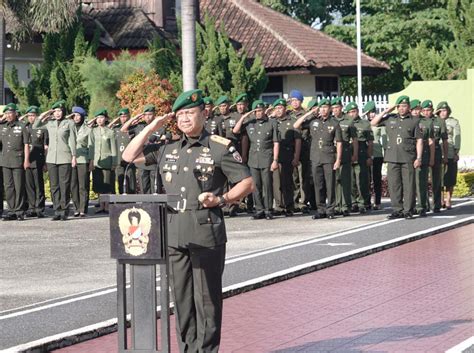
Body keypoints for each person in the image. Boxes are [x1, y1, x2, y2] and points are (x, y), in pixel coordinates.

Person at [122, 89, 254, 353]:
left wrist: (222, 199)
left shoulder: (219, 147)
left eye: (190, 113)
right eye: (180, 114)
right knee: (181, 300)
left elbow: (247, 182)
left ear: (204, 114)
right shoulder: (167, 148)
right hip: (173, 233)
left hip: (206, 233)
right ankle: (187, 350)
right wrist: (151, 127)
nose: (184, 119)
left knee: (206, 301)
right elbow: (129, 156)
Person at [370, 96, 423, 219]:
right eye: (399, 106)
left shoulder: (414, 121)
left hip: (408, 157)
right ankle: (397, 209)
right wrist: (386, 111)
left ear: (408, 107)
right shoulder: (390, 118)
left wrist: (418, 158)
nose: (401, 109)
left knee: (409, 185)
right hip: (392, 156)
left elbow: (419, 141)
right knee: (394, 185)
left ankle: (408, 210)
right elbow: (373, 123)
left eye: (404, 106)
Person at [294, 98, 343, 219]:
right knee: (318, 184)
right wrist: (310, 113)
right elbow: (296, 125)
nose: (323, 110)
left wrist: (338, 160)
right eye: (321, 108)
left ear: (330, 109)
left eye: (325, 107)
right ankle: (321, 209)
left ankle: (330, 210)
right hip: (315, 157)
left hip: (329, 157)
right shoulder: (313, 121)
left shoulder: (334, 123)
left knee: (330, 184)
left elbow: (339, 142)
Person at [233, 99, 279, 220]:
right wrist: (245, 116)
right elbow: (235, 130)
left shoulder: (271, 123)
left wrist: (275, 160)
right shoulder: (250, 123)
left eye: (261, 110)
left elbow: (276, 143)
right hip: (253, 159)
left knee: (267, 185)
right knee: (255, 186)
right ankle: (259, 209)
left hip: (267, 157)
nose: (259, 113)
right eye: (257, 111)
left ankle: (268, 209)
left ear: (264, 111)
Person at [34, 100, 77, 221]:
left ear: (63, 111)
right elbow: (35, 125)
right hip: (51, 158)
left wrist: (74, 156)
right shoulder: (50, 123)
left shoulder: (69, 123)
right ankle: (57, 210)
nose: (57, 113)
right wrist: (47, 113)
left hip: (65, 157)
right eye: (55, 111)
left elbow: (73, 140)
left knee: (64, 185)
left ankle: (64, 210)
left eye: (59, 111)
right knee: (54, 186)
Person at [121, 104, 163, 194]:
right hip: (141, 162)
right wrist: (134, 118)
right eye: (145, 115)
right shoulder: (139, 126)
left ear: (154, 114)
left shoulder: (160, 127)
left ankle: (156, 207)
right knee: (144, 189)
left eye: (150, 114)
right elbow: (123, 129)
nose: (147, 117)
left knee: (156, 189)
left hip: (154, 162)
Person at [269, 98, 301, 216]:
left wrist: (296, 157)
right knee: (276, 182)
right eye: (276, 108)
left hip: (287, 154)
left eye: (281, 108)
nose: (278, 110)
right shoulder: (271, 122)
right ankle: (279, 206)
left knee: (287, 181)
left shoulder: (292, 121)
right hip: (274, 155)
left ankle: (289, 205)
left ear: (285, 109)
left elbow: (298, 140)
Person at [0, 103, 30, 221]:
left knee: (19, 186)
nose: (8, 115)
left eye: (10, 113)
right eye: (6, 113)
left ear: (15, 114)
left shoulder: (22, 126)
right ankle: (11, 210)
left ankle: (19, 211)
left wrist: (26, 160)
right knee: (8, 187)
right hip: (5, 161)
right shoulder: (2, 127)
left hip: (18, 160)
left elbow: (26, 145)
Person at [288, 89, 314, 213]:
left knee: (303, 176)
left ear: (301, 101)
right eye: (292, 100)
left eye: (296, 100)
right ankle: (294, 200)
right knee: (293, 177)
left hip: (304, 149)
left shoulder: (307, 115)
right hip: (290, 149)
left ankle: (303, 202)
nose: (294, 103)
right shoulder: (288, 114)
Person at [332, 97, 358, 216]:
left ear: (341, 108)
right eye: (333, 108)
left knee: (346, 180)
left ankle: (346, 205)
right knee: (336, 180)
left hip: (346, 152)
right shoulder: (330, 121)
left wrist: (355, 154)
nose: (335, 110)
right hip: (332, 153)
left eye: (337, 107)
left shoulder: (349, 121)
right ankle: (337, 205)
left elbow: (355, 140)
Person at [88, 109, 117, 214]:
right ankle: (101, 205)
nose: (100, 120)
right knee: (99, 184)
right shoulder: (93, 131)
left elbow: (114, 148)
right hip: (96, 161)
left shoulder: (110, 132)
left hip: (107, 161)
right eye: (98, 118)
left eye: (102, 118)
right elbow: (91, 147)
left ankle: (107, 206)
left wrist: (114, 162)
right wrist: (91, 161)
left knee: (107, 184)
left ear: (106, 119)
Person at [347, 102, 373, 214]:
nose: (353, 114)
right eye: (350, 112)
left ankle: (362, 202)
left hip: (362, 153)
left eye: (354, 111)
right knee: (351, 180)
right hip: (348, 152)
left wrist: (369, 156)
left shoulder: (365, 124)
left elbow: (370, 142)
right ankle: (353, 203)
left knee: (361, 180)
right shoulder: (344, 123)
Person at [24, 105, 48, 218]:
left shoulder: (43, 128)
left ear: (37, 116)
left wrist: (45, 162)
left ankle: (40, 208)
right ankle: (31, 207)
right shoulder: (25, 127)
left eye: (33, 115)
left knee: (39, 184)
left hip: (38, 159)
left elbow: (46, 146)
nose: (31, 118)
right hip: (27, 160)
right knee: (29, 185)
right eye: (29, 116)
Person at [364, 101, 386, 210]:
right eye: (369, 113)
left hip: (377, 154)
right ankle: (367, 201)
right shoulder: (363, 123)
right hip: (366, 154)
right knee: (366, 179)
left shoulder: (380, 124)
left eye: (373, 112)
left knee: (377, 179)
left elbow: (384, 138)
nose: (371, 115)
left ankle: (377, 202)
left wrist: (386, 153)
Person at [438, 101, 460, 209]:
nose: (443, 113)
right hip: (438, 152)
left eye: (445, 110)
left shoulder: (453, 122)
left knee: (450, 177)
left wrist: (456, 152)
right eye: (441, 111)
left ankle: (448, 199)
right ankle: (440, 199)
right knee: (439, 177)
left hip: (450, 152)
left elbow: (457, 137)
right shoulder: (435, 121)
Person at [427, 101, 448, 213]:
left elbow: (445, 140)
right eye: (424, 110)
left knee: (436, 180)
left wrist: (445, 155)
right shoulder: (419, 121)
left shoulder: (440, 121)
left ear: (433, 110)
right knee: (422, 180)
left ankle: (436, 205)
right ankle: (424, 205)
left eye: (429, 110)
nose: (427, 112)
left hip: (436, 151)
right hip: (424, 152)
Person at [415, 100, 435, 216]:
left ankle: (422, 206)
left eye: (419, 109)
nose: (417, 111)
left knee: (421, 181)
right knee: (412, 183)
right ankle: (414, 205)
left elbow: (431, 140)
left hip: (424, 155)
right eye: (415, 109)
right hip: (409, 155)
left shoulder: (427, 122)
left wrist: (432, 158)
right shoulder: (410, 122)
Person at [70, 106, 91, 217]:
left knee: (83, 185)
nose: (76, 117)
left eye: (78, 115)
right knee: (73, 185)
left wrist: (91, 161)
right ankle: (76, 208)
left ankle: (83, 208)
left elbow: (91, 146)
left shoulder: (87, 130)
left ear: (82, 117)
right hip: (70, 159)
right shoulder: (69, 127)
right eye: (74, 115)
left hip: (83, 159)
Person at [110, 108, 137, 194]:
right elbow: (107, 128)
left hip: (130, 160)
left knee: (131, 181)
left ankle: (132, 200)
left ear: (129, 117)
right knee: (120, 180)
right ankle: (122, 200)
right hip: (119, 159)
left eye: (125, 116)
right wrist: (115, 121)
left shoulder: (135, 128)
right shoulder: (115, 129)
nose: (123, 119)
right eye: (121, 117)